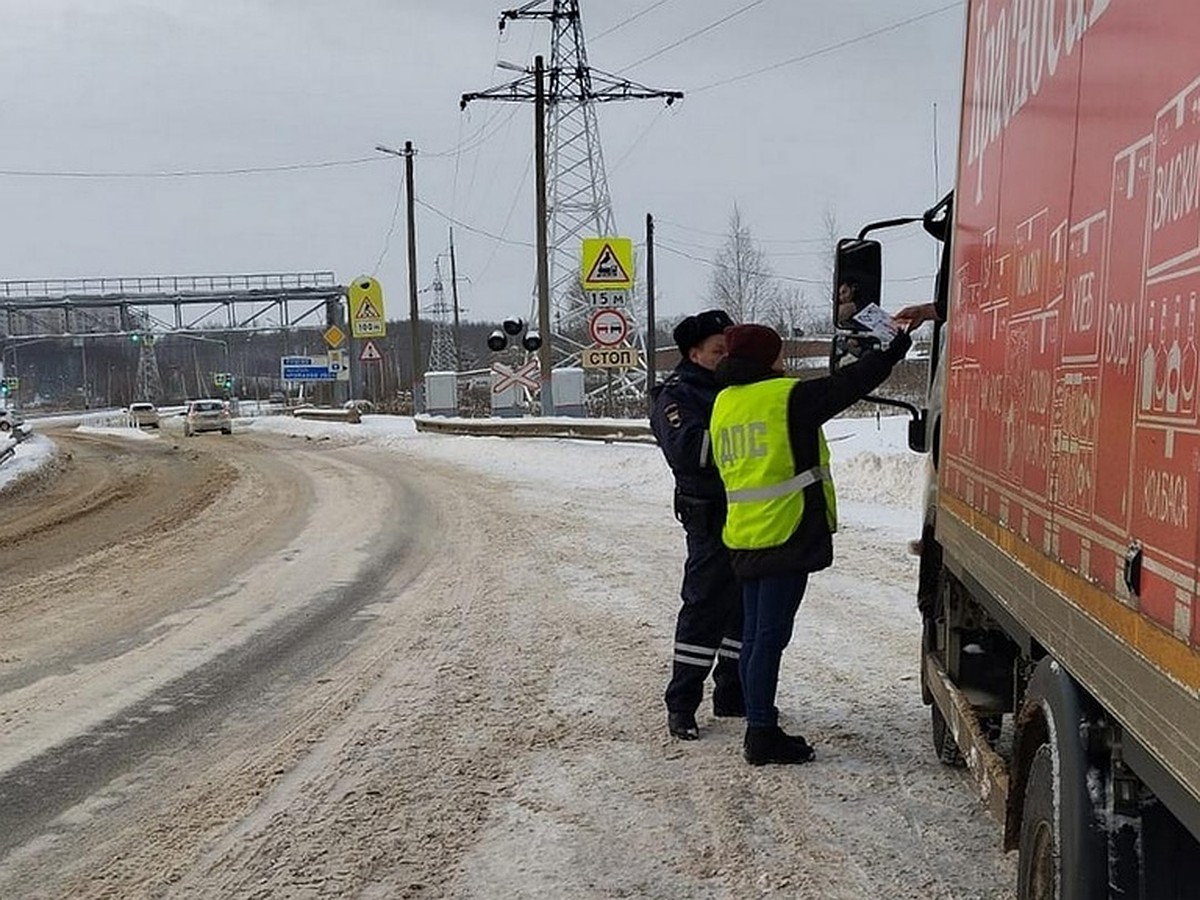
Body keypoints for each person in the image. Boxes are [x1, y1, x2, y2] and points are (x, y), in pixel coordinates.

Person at [711, 321, 912, 765]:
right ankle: (761, 732)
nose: (783, 361)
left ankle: (757, 719)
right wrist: (894, 347)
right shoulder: (785, 399)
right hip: (785, 528)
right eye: (778, 354)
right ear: (767, 359)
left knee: (755, 636)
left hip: (744, 532)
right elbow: (851, 383)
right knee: (768, 637)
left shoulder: (724, 401)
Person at [650, 309, 745, 741]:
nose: (725, 357)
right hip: (708, 517)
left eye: (729, 349)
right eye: (717, 350)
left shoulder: (734, 388)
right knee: (704, 609)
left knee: (742, 610)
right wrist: (749, 444)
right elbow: (689, 448)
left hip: (746, 514)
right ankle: (682, 705)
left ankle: (732, 693)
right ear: (694, 353)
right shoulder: (676, 395)